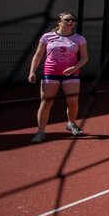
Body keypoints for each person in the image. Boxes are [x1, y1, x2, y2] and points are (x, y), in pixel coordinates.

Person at [27, 11, 89, 143]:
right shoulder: (47, 37)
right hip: (50, 74)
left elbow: (84, 58)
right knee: (46, 102)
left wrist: (75, 68)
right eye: (67, 20)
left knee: (72, 102)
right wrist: (32, 71)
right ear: (59, 22)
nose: (71, 22)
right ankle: (40, 132)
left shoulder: (79, 39)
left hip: (71, 75)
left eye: (73, 19)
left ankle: (71, 123)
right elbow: (38, 56)